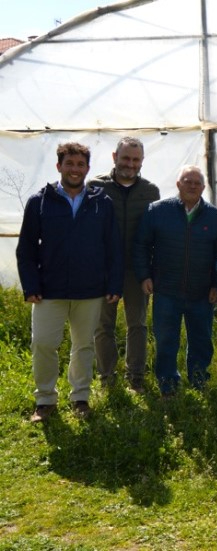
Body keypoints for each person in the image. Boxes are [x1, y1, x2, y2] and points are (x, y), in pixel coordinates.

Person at [16, 142, 123, 421]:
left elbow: (113, 247)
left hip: (90, 290)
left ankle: (80, 398)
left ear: (87, 168)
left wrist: (114, 284)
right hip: (48, 290)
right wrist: (31, 286)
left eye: (80, 165)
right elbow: (26, 248)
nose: (75, 169)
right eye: (69, 164)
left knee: (84, 345)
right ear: (59, 166)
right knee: (43, 343)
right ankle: (45, 400)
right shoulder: (40, 201)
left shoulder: (102, 203)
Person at [134, 165, 217, 396]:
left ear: (204, 187)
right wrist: (145, 275)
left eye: (197, 183)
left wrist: (216, 284)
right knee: (166, 340)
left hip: (201, 292)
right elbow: (141, 245)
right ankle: (168, 385)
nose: (192, 186)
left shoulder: (214, 217)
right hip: (166, 289)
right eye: (187, 181)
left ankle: (198, 381)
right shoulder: (157, 210)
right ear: (178, 184)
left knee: (202, 341)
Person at [89, 137, 160, 394]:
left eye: (136, 159)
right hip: (104, 270)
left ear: (141, 161)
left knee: (137, 324)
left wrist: (151, 270)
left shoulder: (150, 191)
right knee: (103, 325)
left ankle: (136, 378)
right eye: (126, 158)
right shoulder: (95, 187)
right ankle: (107, 377)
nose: (130, 164)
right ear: (114, 157)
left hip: (137, 270)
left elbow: (154, 232)